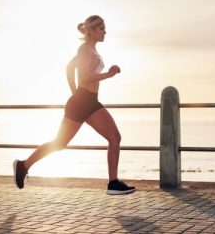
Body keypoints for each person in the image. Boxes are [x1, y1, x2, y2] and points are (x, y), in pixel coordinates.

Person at [13, 15, 135, 195]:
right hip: (81, 102)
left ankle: (113, 183)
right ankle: (23, 165)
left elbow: (70, 68)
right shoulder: (84, 50)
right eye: (101, 29)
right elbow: (84, 77)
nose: (105, 32)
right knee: (59, 144)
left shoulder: (92, 50)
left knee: (114, 137)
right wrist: (107, 75)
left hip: (89, 101)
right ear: (92, 31)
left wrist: (75, 93)